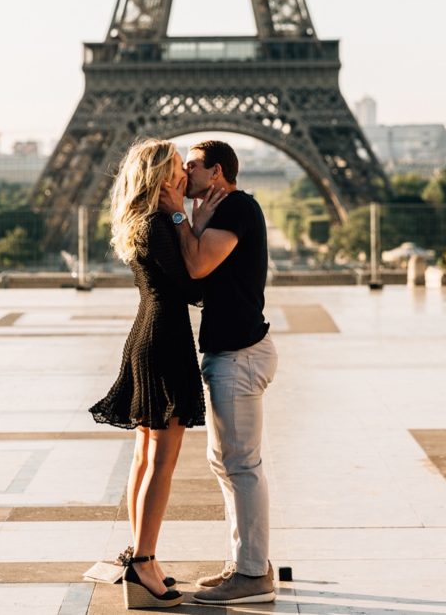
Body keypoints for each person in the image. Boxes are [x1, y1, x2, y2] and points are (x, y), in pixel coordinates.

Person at [88, 138, 221, 609]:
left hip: (148, 332)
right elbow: (192, 286)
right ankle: (144, 560)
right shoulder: (161, 224)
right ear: (161, 179)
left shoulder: (140, 221)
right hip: (164, 338)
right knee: (160, 459)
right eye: (177, 171)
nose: (185, 175)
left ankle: (140, 554)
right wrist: (187, 218)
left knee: (146, 455)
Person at [158, 140, 279, 605]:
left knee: (241, 466)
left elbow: (197, 262)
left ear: (218, 172)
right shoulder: (218, 212)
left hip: (240, 353)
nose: (184, 174)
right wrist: (191, 220)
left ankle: (252, 575)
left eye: (192, 166)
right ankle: (245, 562)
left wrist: (176, 215)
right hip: (231, 351)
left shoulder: (237, 208)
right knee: (226, 464)